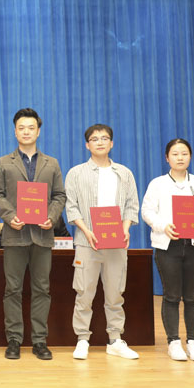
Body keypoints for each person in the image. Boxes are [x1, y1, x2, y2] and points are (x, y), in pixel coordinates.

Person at [0, 108, 66, 360]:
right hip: (15, 235)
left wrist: (51, 217)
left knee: (42, 289)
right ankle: (13, 340)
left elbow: (59, 195)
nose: (26, 132)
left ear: (38, 131)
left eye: (31, 128)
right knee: (12, 289)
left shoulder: (51, 163)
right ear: (15, 132)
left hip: (42, 236)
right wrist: (9, 215)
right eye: (21, 128)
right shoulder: (4, 162)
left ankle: (39, 341)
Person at [65, 124, 140, 360]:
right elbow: (71, 206)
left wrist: (125, 228)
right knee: (84, 293)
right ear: (87, 145)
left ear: (112, 143)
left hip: (116, 244)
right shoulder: (76, 173)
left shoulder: (124, 173)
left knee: (116, 293)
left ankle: (115, 340)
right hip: (86, 243)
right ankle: (82, 339)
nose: (100, 142)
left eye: (105, 138)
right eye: (95, 139)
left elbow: (131, 205)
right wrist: (86, 231)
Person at [141, 138, 194, 362]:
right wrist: (163, 226)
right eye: (175, 154)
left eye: (184, 153)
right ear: (167, 158)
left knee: (193, 297)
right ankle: (173, 342)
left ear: (190, 156)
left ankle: (193, 342)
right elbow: (147, 211)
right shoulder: (157, 184)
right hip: (168, 246)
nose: (180, 157)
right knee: (171, 295)